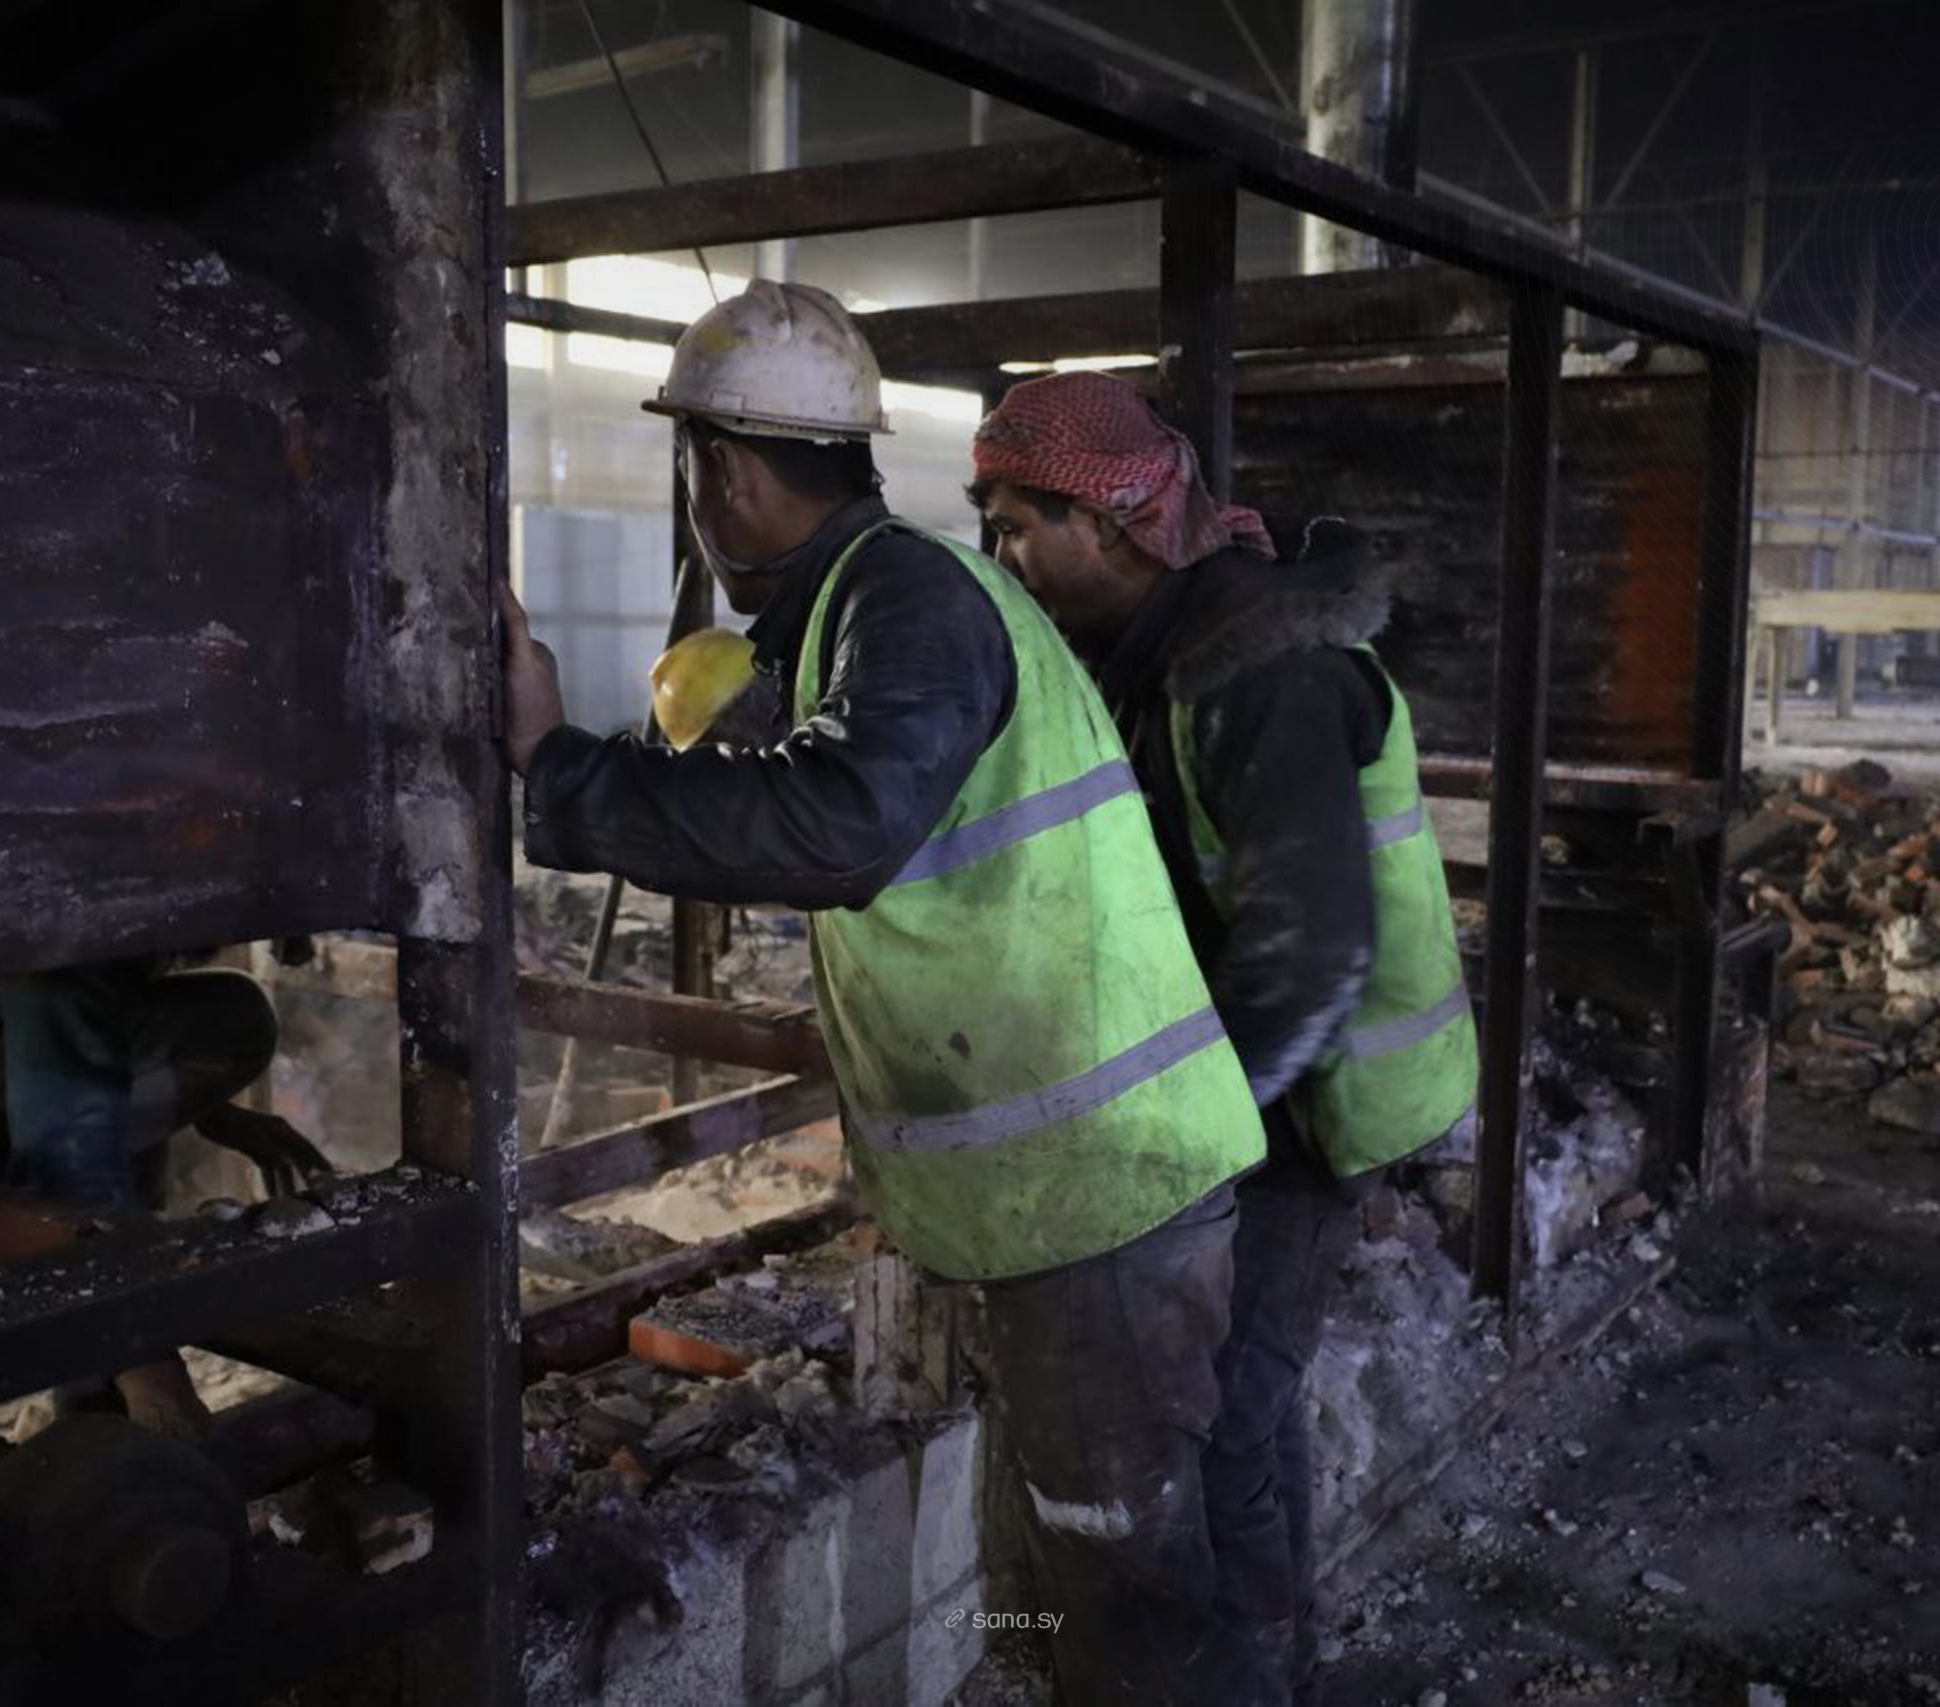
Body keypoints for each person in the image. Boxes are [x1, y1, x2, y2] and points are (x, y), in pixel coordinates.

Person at [498, 282, 1276, 1703]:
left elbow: (842, 824)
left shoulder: (908, 597)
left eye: (696, 467)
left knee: (1127, 1596)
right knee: (1054, 1570)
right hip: (1060, 1198)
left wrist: (556, 764)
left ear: (723, 470)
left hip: (1102, 1193)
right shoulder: (872, 603)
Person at [967, 371, 1481, 1701]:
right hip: (1233, 1095)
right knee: (1239, 1416)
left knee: (1233, 1420)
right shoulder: (1149, 657)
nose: (1003, 561)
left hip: (1298, 1111)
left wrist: (1183, 1143)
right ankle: (1265, 1663)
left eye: (1016, 528)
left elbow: (1310, 954)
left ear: (1111, 523)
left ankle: (1251, 1679)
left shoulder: (1260, 670)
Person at [0, 956, 331, 1435]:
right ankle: (99, 1385)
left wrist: (216, 1114)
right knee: (231, 1023)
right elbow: (68, 1113)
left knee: (185, 1036)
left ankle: (91, 1395)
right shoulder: (61, 945)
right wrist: (143, 1357)